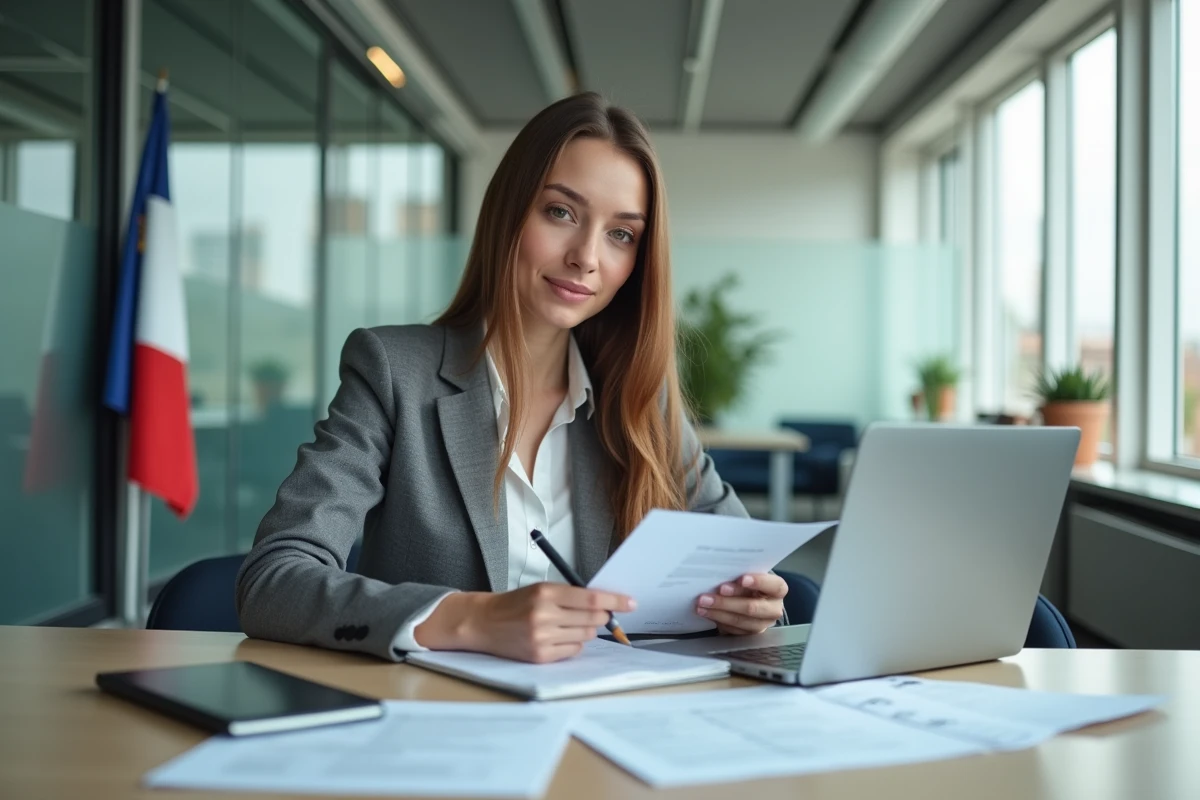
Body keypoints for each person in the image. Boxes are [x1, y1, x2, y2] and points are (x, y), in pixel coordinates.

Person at [235, 92, 787, 664]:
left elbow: (751, 571)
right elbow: (273, 580)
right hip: (436, 708)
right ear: (510, 212)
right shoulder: (394, 371)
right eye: (561, 212)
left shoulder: (642, 400)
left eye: (621, 235)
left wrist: (753, 607)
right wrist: (470, 618)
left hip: (609, 707)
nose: (586, 257)